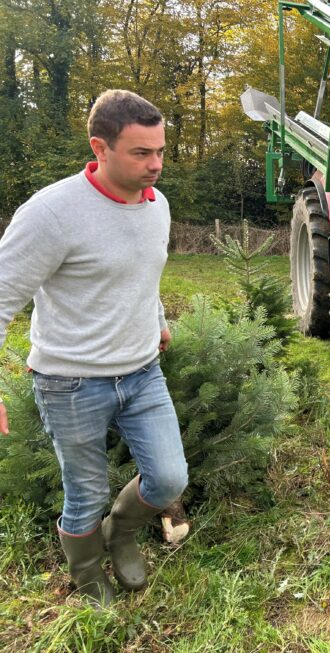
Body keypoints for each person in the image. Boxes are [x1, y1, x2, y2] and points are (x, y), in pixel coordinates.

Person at [0, 89, 188, 607]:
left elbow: (142, 274)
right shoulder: (52, 213)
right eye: (141, 153)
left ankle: (120, 535)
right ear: (99, 148)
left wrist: (157, 320)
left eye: (160, 151)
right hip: (70, 381)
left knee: (169, 474)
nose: (156, 165)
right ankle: (86, 573)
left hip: (143, 371)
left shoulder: (158, 205)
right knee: (86, 493)